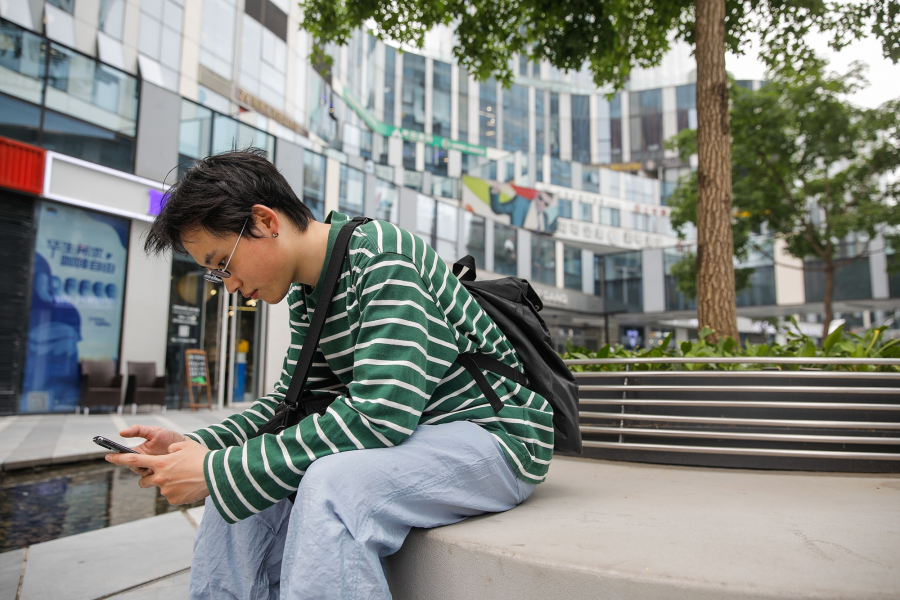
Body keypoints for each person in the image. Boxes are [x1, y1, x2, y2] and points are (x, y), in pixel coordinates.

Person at [105, 149, 554, 599]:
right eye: (214, 274)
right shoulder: (309, 290)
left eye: (223, 263)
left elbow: (381, 414)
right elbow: (287, 405)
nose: (229, 285)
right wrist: (204, 447)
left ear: (264, 221)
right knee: (237, 481)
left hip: (496, 439)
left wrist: (220, 469)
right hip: (421, 437)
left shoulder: (381, 256)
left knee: (328, 486)